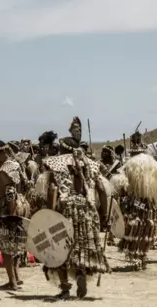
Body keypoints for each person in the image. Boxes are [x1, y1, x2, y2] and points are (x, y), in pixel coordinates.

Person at [36, 117, 110, 299]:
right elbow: (102, 189)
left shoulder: (56, 164)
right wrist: (104, 214)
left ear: (63, 149)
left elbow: (53, 190)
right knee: (81, 247)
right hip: (87, 209)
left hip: (65, 208)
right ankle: (79, 274)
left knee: (59, 247)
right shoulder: (90, 165)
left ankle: (65, 288)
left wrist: (50, 213)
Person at [0, 140, 30, 291]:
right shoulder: (15, 164)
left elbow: (10, 192)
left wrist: (11, 215)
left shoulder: (5, 170)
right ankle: (17, 278)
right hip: (21, 204)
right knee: (15, 244)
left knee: (6, 246)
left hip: (8, 207)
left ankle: (12, 282)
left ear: (0, 151)